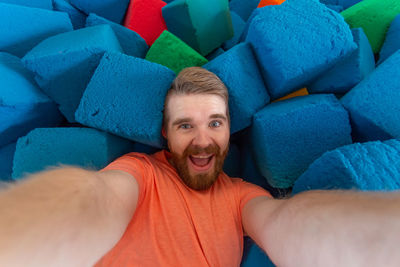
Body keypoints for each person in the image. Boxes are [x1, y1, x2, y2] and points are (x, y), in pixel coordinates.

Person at [0, 67, 400, 267]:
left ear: (229, 131)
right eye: (185, 125)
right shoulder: (139, 173)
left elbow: (287, 222)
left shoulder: (243, 197)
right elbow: (93, 200)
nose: (202, 139)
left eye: (215, 123)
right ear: (165, 135)